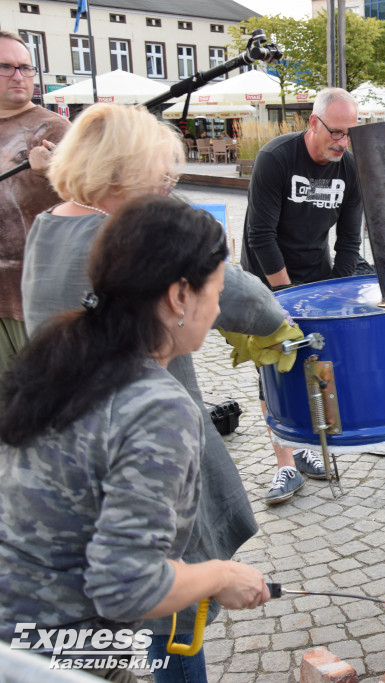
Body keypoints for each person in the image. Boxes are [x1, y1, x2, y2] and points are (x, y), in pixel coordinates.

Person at [21, 103, 288, 681]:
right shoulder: (130, 245)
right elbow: (249, 301)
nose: (168, 187)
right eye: (161, 177)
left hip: (71, 461)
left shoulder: (47, 224)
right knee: (173, 621)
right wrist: (216, 577)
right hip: (127, 462)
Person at [240, 87, 367, 504]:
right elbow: (261, 235)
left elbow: (349, 241)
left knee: (314, 366)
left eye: (349, 134)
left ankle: (308, 448)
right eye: (336, 132)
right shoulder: (277, 159)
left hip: (317, 276)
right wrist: (285, 297)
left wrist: (336, 292)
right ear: (313, 123)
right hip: (268, 279)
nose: (342, 142)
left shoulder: (348, 169)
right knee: (274, 371)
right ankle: (286, 466)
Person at [0, 31, 69, 382]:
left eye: (25, 68)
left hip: (37, 299)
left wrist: (57, 172)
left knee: (44, 410)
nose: (18, 76)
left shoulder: (54, 129)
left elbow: (97, 199)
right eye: (6, 67)